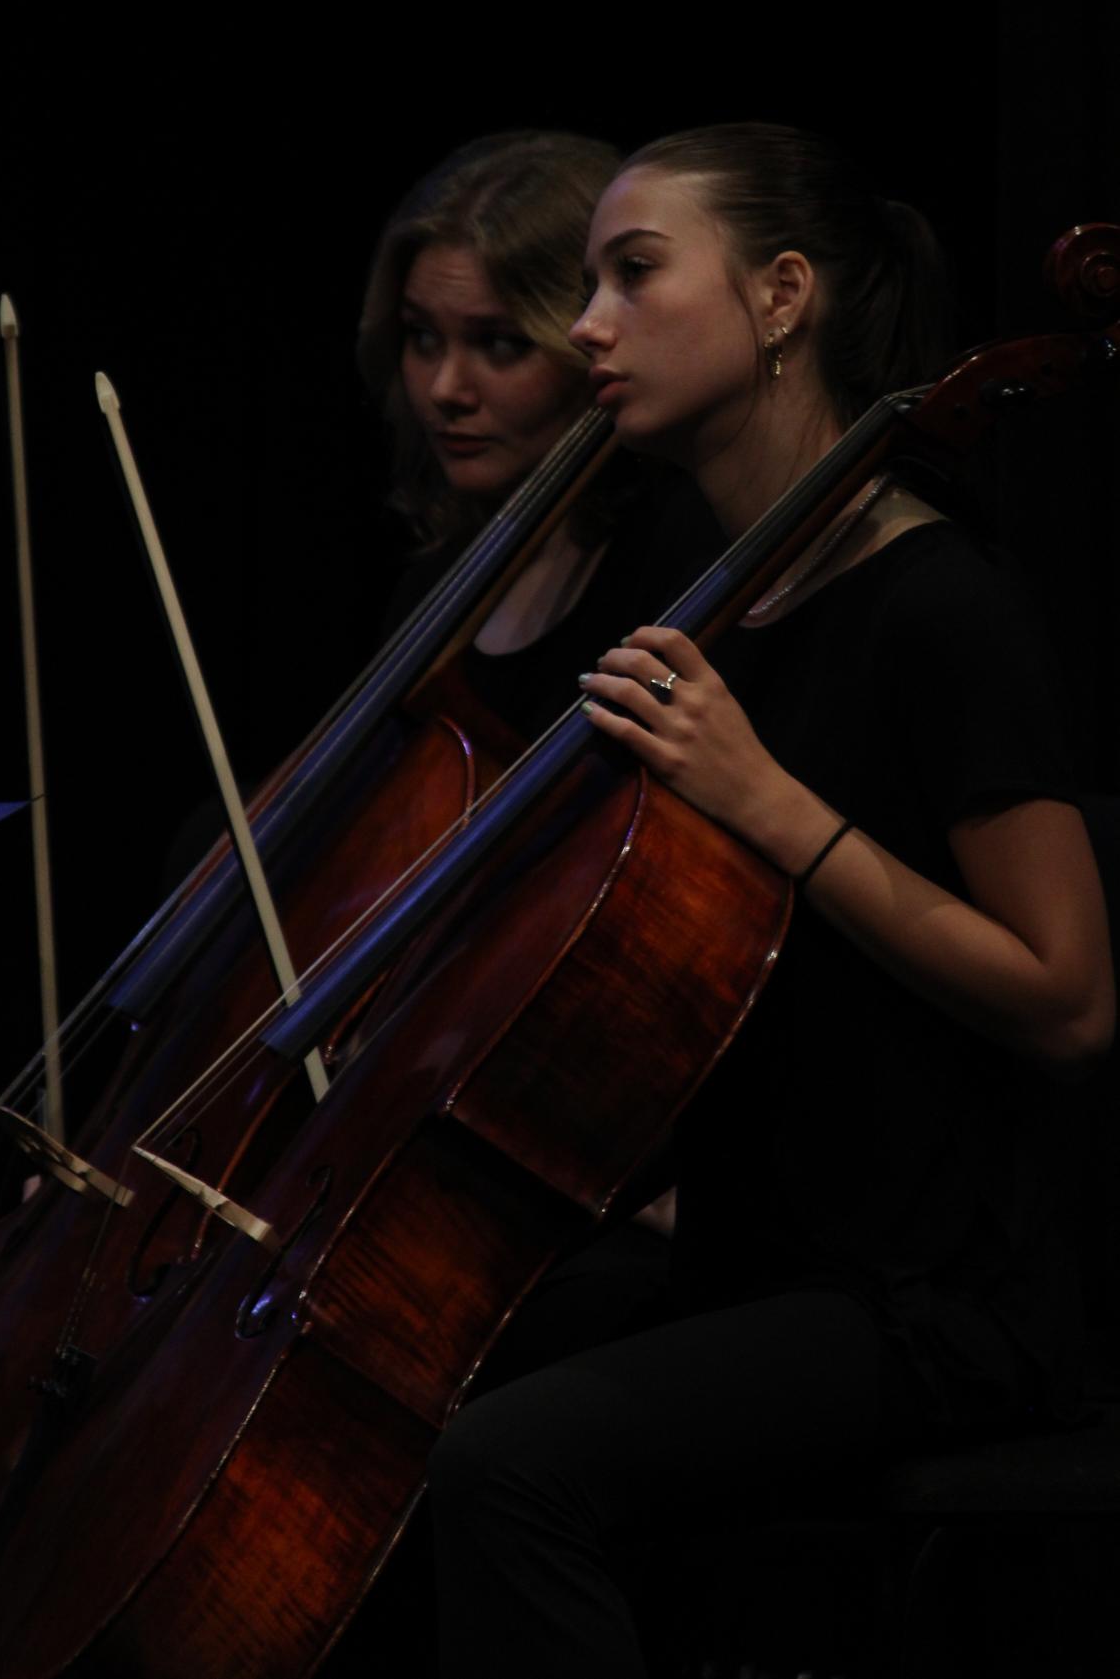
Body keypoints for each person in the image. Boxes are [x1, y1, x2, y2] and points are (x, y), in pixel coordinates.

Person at [424, 122, 1115, 1677]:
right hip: (754, 1246)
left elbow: (1070, 1000)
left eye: (632, 272)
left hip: (932, 1296)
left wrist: (770, 805)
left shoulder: (940, 606)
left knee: (505, 1470)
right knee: (421, 1395)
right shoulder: (709, 582)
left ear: (783, 295)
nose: (585, 322)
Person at [357, 129, 719, 744]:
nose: (446, 389)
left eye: (500, 344)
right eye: (422, 337)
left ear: (589, 337)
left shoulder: (684, 561)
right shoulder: (433, 590)